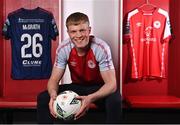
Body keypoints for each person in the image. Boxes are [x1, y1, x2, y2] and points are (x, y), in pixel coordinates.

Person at [37, 12, 121, 124]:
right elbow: (54, 79)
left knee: (115, 100)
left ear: (89, 30)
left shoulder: (101, 47)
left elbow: (111, 84)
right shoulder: (63, 48)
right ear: (68, 33)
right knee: (44, 97)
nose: (78, 35)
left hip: (98, 88)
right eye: (73, 31)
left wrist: (90, 98)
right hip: (77, 87)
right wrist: (53, 95)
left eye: (82, 30)